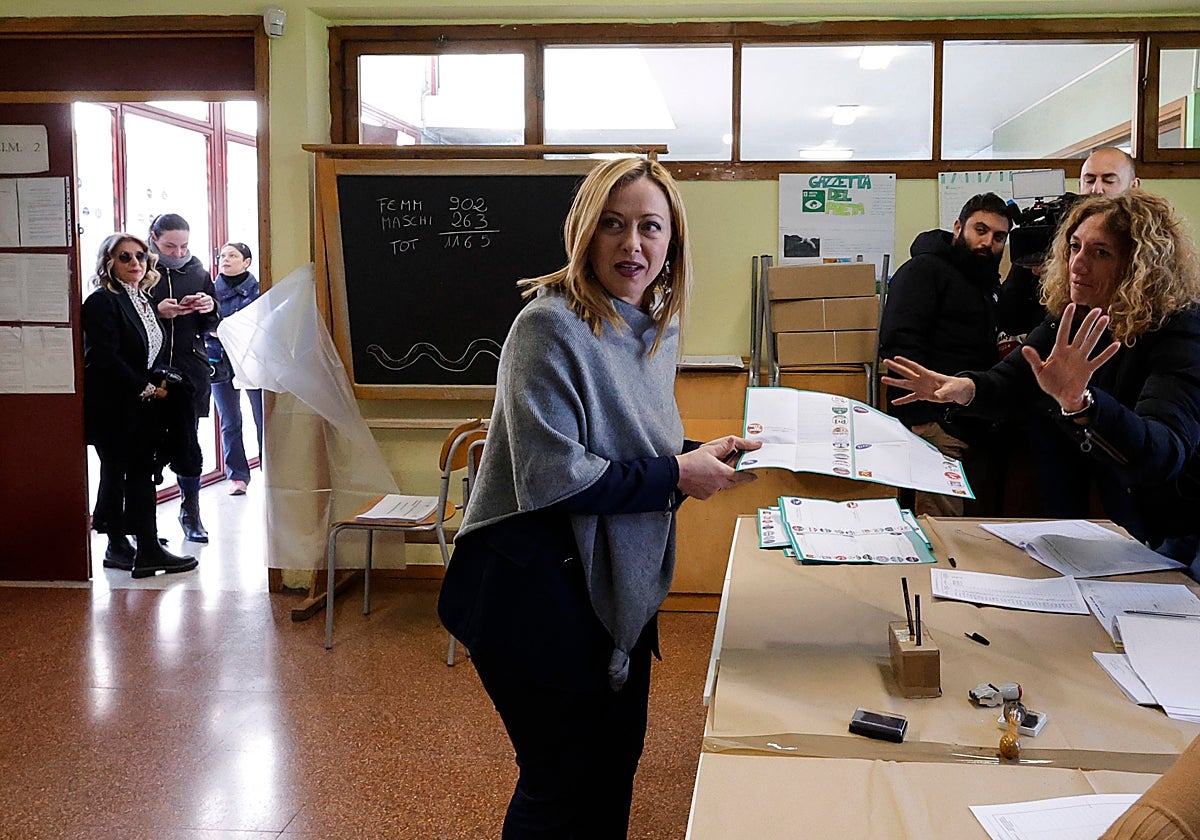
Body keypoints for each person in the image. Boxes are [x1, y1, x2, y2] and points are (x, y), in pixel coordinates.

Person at [436, 157, 760, 839]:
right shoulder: (549, 326)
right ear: (584, 231)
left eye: (650, 226)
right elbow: (554, 478)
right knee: (559, 785)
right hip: (534, 595)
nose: (631, 245)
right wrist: (678, 475)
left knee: (615, 768)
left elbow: (632, 446)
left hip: (615, 594)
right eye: (612, 225)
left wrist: (703, 454)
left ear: (673, 241)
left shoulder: (656, 328)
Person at [883, 190, 1200, 566]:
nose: (1077, 264)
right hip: (1134, 516)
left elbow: (1163, 454)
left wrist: (1082, 404)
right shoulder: (1071, 315)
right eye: (1075, 247)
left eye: (1101, 253)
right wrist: (963, 388)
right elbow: (1011, 382)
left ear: (1139, 266)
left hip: (1185, 517)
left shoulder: (1179, 331)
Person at [878, 192, 1017, 516]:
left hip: (974, 423)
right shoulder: (923, 270)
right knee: (940, 530)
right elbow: (900, 345)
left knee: (966, 535)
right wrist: (920, 421)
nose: (988, 243)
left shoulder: (984, 284)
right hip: (936, 427)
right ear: (958, 228)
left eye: (999, 237)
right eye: (979, 230)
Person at [82, 233, 198, 578]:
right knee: (131, 475)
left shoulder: (141, 298)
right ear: (108, 263)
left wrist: (160, 382)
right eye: (125, 257)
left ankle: (121, 545)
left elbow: (148, 349)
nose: (135, 263)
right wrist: (146, 387)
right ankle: (146, 550)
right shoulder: (103, 301)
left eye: (140, 257)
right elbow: (103, 357)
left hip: (141, 404)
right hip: (116, 405)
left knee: (127, 474)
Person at [147, 213, 219, 542]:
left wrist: (208, 306)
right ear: (154, 239)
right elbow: (125, 315)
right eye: (169, 246)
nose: (177, 253)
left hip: (190, 370)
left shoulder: (198, 270)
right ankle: (142, 521)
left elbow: (211, 325)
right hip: (151, 372)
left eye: (184, 246)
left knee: (188, 444)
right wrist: (156, 312)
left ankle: (191, 512)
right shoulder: (140, 269)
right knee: (147, 446)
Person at [207, 242, 264, 496]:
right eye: (222, 256)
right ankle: (237, 476)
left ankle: (269, 468)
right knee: (229, 420)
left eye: (232, 255)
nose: (225, 260)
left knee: (263, 418)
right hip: (218, 362)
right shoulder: (208, 291)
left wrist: (229, 332)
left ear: (247, 261)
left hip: (253, 360)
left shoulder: (259, 290)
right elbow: (204, 326)